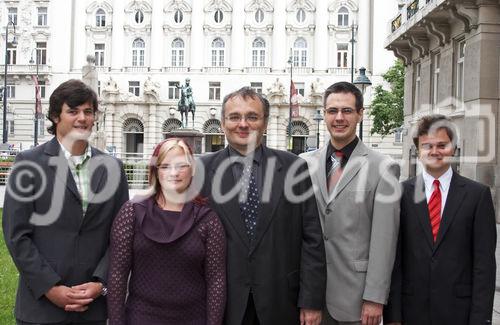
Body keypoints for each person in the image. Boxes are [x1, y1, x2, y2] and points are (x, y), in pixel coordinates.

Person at [2, 79, 129, 324]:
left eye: (88, 111)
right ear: (55, 116)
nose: (82, 118)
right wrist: (49, 287)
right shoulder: (28, 164)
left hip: (94, 308)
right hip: (41, 308)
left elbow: (121, 235)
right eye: (73, 111)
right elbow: (17, 235)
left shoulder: (113, 168)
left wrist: (100, 283)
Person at [200, 87, 326, 325]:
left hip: (281, 301)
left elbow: (312, 240)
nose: (243, 124)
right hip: (221, 304)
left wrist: (311, 300)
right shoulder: (201, 170)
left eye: (252, 117)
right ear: (223, 123)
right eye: (235, 117)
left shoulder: (293, 168)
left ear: (265, 123)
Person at [300, 81, 401, 325]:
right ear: (324, 114)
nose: (339, 118)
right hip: (308, 296)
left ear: (360, 114)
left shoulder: (383, 167)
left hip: (355, 299)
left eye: (347, 111)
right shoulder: (302, 164)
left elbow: (384, 239)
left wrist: (375, 297)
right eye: (332, 111)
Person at [383, 114, 497, 325]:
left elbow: (484, 266)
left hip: (459, 313)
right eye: (427, 146)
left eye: (442, 145)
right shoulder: (400, 194)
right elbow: (394, 261)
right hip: (411, 312)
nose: (435, 151)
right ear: (418, 151)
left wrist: (481, 319)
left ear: (453, 148)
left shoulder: (477, 196)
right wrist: (393, 317)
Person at [107, 138, 226, 325]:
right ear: (155, 171)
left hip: (193, 318)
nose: (174, 173)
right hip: (141, 317)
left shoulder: (207, 220)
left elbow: (216, 282)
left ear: (192, 169)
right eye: (165, 166)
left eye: (181, 166)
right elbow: (117, 276)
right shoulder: (132, 213)